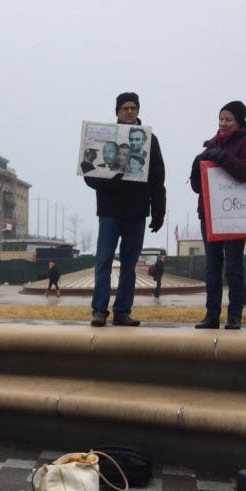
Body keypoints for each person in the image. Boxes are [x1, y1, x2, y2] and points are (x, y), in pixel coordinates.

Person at [84, 93, 166, 327]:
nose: (130, 111)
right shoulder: (103, 138)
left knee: (129, 266)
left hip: (137, 212)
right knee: (103, 262)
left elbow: (157, 177)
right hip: (109, 212)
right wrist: (111, 180)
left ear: (138, 110)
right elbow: (89, 175)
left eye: (133, 107)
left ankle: (122, 311)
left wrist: (159, 208)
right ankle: (99, 311)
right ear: (117, 112)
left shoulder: (150, 140)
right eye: (125, 108)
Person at [190, 100, 246, 330]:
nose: (223, 123)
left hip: (234, 215)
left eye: (228, 119)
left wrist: (222, 157)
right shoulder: (210, 144)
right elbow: (198, 187)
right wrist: (195, 168)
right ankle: (211, 315)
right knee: (212, 266)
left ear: (239, 121)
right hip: (209, 215)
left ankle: (234, 315)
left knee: (233, 266)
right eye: (220, 119)